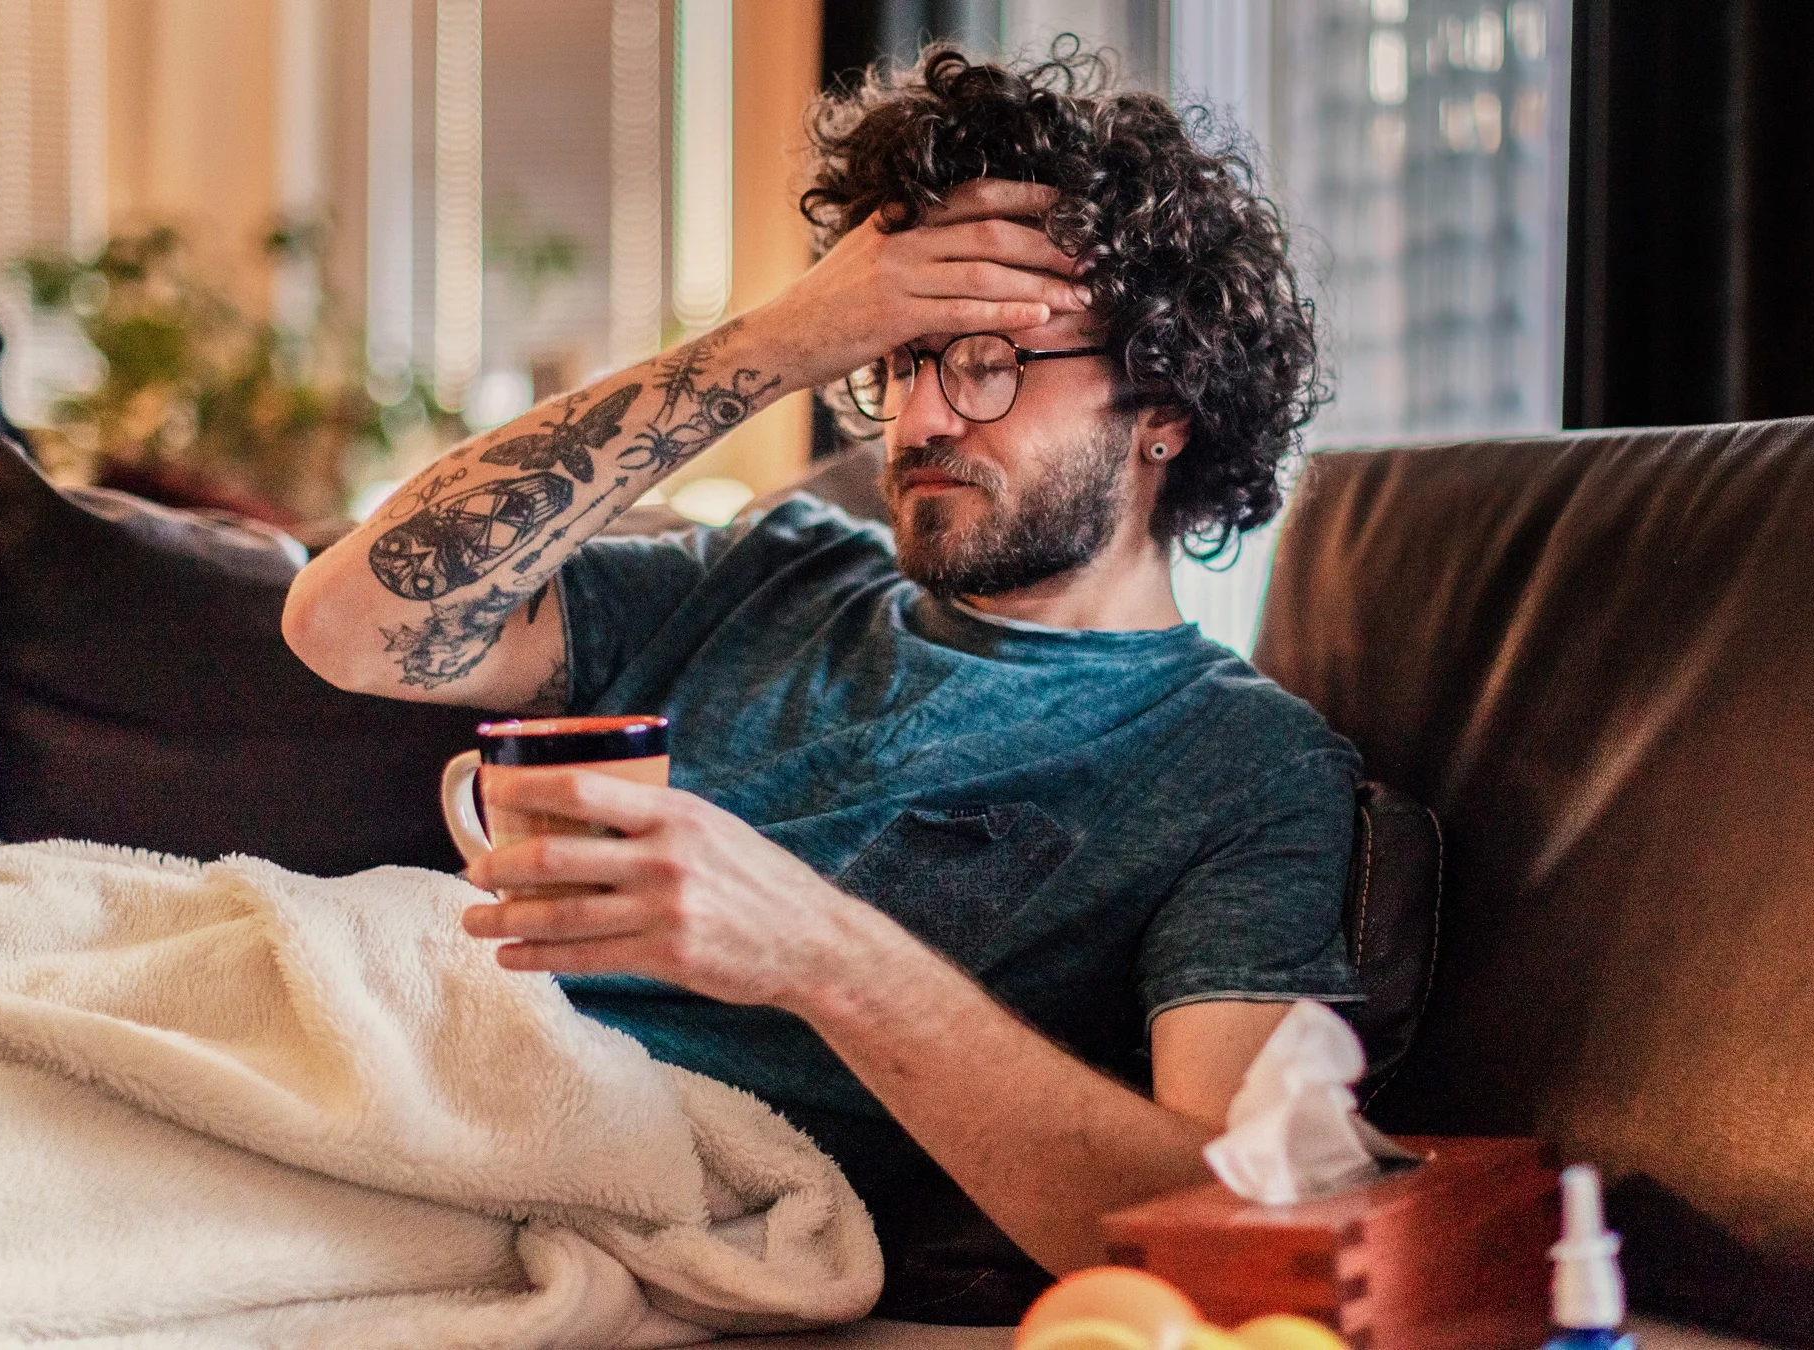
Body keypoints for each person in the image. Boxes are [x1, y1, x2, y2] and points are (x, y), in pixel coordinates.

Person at [283, 43, 1358, 1319]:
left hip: (569, 1175)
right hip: (365, 1054)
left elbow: (1231, 1231)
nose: (919, 424)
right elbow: (351, 624)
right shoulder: (777, 570)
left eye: (983, 361)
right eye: (897, 361)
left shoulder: (1242, 766)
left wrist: (818, 951)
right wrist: (780, 342)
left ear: (1165, 404)